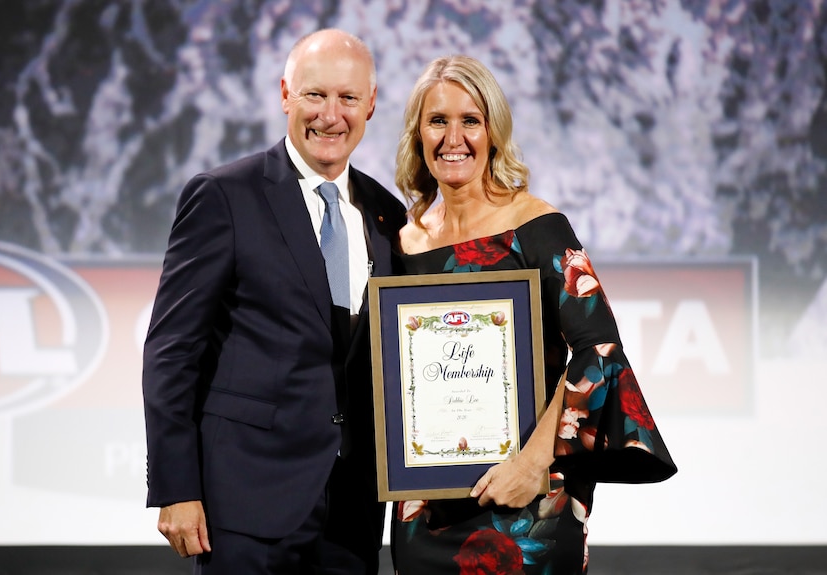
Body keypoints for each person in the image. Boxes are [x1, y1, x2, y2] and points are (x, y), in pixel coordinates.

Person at [390, 55, 677, 574]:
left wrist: (532, 461)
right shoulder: (401, 244)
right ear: (417, 133)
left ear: (494, 131)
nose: (453, 137)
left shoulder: (537, 225)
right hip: (425, 510)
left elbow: (599, 347)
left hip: (530, 501)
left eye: (470, 121)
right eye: (438, 120)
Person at [141, 29, 406, 575]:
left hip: (351, 511)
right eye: (314, 95)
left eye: (348, 98)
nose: (330, 115)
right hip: (244, 502)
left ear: (371, 105)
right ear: (285, 94)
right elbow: (171, 351)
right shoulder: (224, 197)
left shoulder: (387, 214)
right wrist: (175, 487)